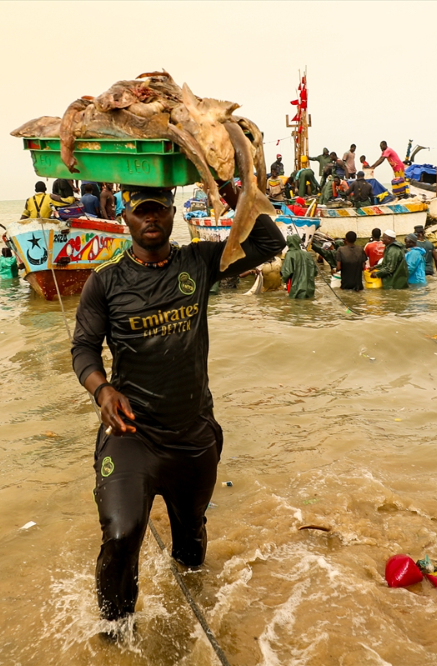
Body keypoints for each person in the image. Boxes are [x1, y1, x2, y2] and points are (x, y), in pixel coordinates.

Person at [70, 182, 283, 625]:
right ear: (125, 218)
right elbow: (84, 349)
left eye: (159, 211)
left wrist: (226, 186)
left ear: (171, 214)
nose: (151, 219)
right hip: (133, 433)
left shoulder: (200, 261)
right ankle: (114, 638)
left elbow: (269, 241)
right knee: (122, 534)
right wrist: (102, 389)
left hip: (192, 435)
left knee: (191, 547)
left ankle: (192, 617)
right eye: (141, 212)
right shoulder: (104, 281)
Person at [279, 233, 316, 299]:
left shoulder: (290, 254)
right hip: (310, 289)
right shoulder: (308, 254)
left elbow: (286, 272)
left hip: (296, 290)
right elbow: (315, 272)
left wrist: (283, 282)